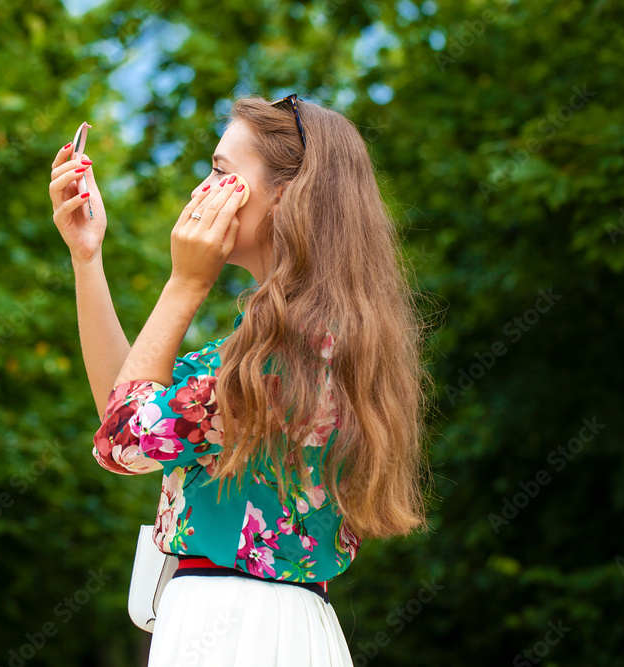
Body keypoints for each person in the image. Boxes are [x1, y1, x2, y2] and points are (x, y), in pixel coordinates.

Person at [48, 93, 434, 666]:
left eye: (219, 171)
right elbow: (129, 410)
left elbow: (124, 441)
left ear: (284, 195)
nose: (200, 191)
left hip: (231, 627)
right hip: (278, 625)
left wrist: (185, 284)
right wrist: (88, 258)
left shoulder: (282, 358)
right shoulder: (303, 342)